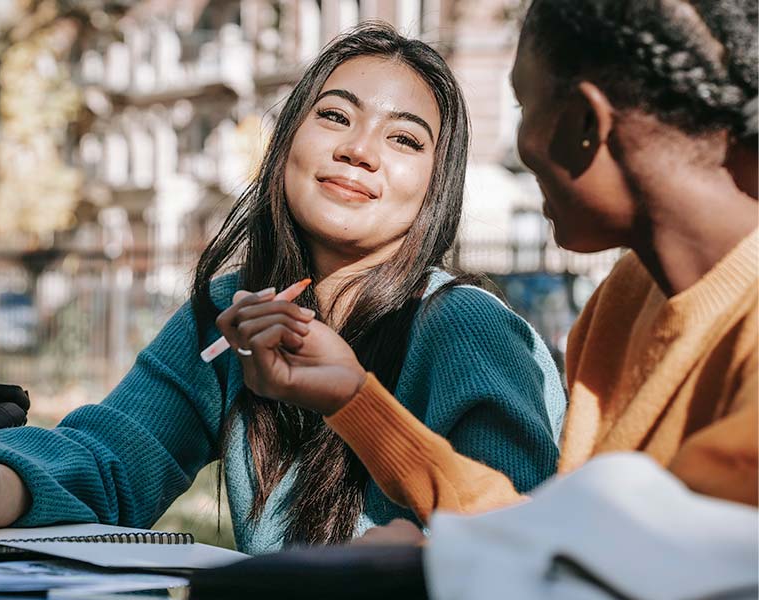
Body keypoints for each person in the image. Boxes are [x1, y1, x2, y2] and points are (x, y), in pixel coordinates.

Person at [0, 23, 567, 554]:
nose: (358, 151)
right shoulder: (232, 311)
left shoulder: (466, 326)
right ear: (283, 147)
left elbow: (520, 535)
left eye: (404, 139)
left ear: (436, 187)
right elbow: (119, 453)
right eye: (334, 116)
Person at [218, 0, 758, 533]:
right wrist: (355, 400)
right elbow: (557, 537)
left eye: (522, 107)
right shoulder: (627, 298)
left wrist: (432, 567)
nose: (518, 146)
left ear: (584, 124)